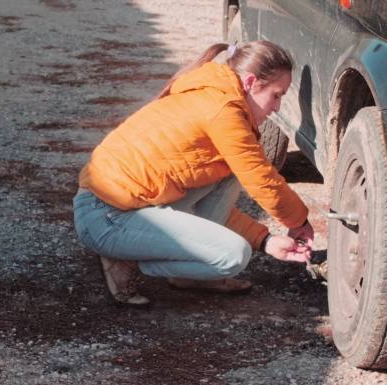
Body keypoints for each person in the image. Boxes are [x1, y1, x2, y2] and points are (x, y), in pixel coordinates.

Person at [73, 40, 314, 307]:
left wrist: (265, 239)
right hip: (106, 216)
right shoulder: (223, 110)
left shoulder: (213, 92)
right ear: (250, 82)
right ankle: (124, 259)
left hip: (121, 205)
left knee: (229, 172)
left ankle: (194, 275)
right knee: (233, 256)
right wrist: (299, 222)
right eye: (276, 95)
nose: (277, 107)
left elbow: (208, 210)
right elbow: (261, 180)